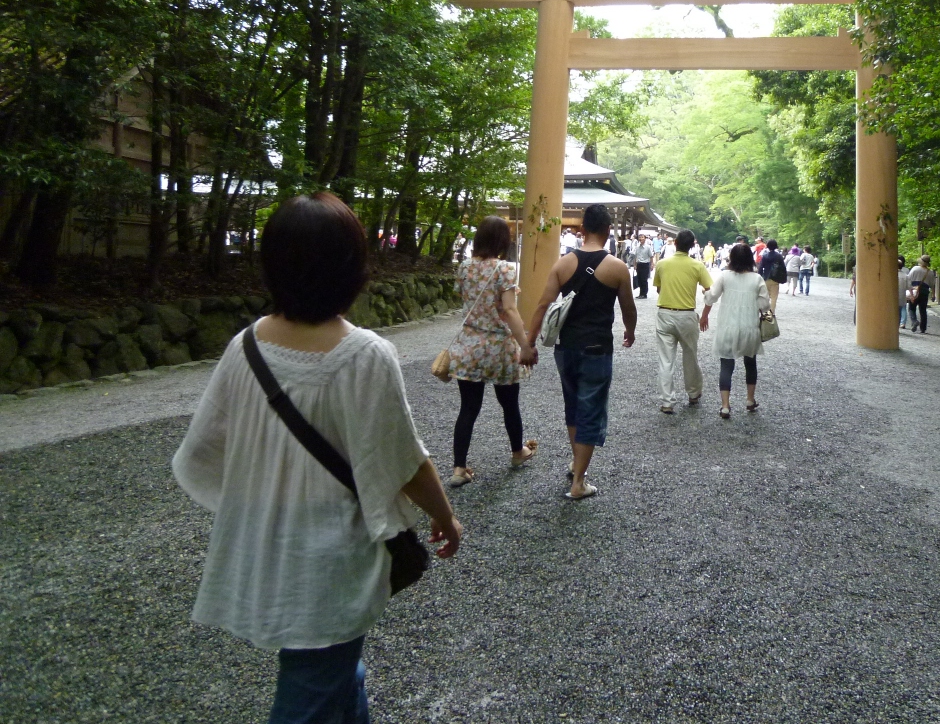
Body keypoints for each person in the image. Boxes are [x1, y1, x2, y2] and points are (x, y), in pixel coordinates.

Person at [172, 192, 462, 724]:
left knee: (338, 675)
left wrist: (258, 501)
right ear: (352, 269)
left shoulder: (245, 346)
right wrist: (444, 516)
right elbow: (402, 458)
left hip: (269, 545)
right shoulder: (365, 354)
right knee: (311, 692)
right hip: (329, 561)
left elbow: (207, 448)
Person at [529, 203, 637, 500]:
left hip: (566, 347)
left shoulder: (562, 264)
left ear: (583, 229)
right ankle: (578, 481)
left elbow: (543, 305)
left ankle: (577, 463)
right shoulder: (617, 267)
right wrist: (630, 331)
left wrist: (529, 342)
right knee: (591, 410)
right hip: (597, 347)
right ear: (608, 230)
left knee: (573, 408)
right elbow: (628, 308)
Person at [445, 216, 538, 488]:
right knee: (509, 404)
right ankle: (518, 452)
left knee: (468, 408)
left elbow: (464, 298)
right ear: (502, 241)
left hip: (469, 346)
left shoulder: (464, 267)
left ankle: (459, 468)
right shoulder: (504, 269)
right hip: (498, 348)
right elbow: (509, 309)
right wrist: (525, 344)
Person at [700, 242, 770, 418]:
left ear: (731, 258)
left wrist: (705, 295)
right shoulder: (757, 279)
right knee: (750, 363)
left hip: (727, 327)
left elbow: (712, 297)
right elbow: (765, 305)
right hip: (749, 327)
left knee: (726, 365)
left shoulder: (725, 276)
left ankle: (725, 406)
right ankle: (750, 400)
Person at [652, 228, 714, 414]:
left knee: (666, 359)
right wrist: (705, 314)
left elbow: (659, 289)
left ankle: (667, 401)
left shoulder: (662, 264)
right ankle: (693, 393)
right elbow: (709, 290)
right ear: (692, 246)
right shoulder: (697, 266)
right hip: (687, 315)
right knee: (690, 356)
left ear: (676, 243)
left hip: (665, 313)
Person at [908, 254, 938, 334]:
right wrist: (933, 295)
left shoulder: (915, 269)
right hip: (924, 291)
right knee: (923, 310)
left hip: (915, 290)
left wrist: (909, 290)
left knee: (911, 308)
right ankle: (923, 328)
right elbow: (932, 285)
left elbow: (908, 279)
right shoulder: (930, 272)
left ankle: (914, 321)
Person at [757, 239, 785, 312]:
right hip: (775, 278)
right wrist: (783, 279)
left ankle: (765, 311)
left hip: (766, 278)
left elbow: (760, 268)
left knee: (766, 296)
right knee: (774, 297)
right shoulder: (779, 256)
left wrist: (759, 277)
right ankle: (772, 312)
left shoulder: (765, 256)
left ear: (767, 246)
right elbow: (783, 268)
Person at [633, 234, 654, 298]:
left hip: (645, 265)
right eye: (639, 237)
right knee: (639, 279)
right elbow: (635, 256)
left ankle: (644, 294)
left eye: (642, 237)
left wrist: (652, 264)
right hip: (639, 264)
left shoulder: (648, 247)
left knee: (644, 280)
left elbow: (651, 256)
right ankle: (641, 294)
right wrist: (635, 265)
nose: (641, 238)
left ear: (645, 238)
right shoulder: (637, 247)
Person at [897, 255, 910, 330]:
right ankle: (903, 323)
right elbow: (909, 286)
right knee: (903, 308)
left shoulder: (892, 273)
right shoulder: (906, 271)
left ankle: (896, 324)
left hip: (895, 294)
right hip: (903, 293)